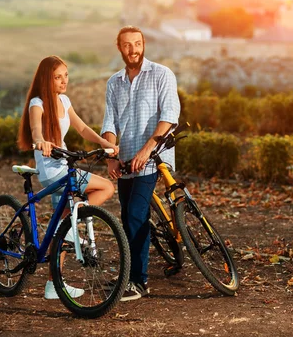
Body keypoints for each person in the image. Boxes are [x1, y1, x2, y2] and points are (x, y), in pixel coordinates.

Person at [17, 55, 119, 300]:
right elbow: (36, 129)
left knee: (62, 226)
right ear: (46, 79)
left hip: (65, 166)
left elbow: (82, 128)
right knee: (106, 187)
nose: (64, 81)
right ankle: (75, 219)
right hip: (52, 172)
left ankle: (54, 285)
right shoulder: (37, 103)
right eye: (57, 77)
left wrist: (104, 142)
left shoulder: (64, 100)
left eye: (66, 75)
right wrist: (41, 141)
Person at [101, 26, 181, 301]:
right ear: (119, 47)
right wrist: (111, 156)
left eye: (137, 44)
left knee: (135, 215)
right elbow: (109, 122)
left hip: (154, 156)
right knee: (128, 218)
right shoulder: (114, 83)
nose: (133, 49)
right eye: (127, 45)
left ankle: (138, 281)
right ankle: (130, 272)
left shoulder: (161, 74)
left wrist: (148, 150)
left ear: (143, 44)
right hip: (126, 161)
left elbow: (169, 116)